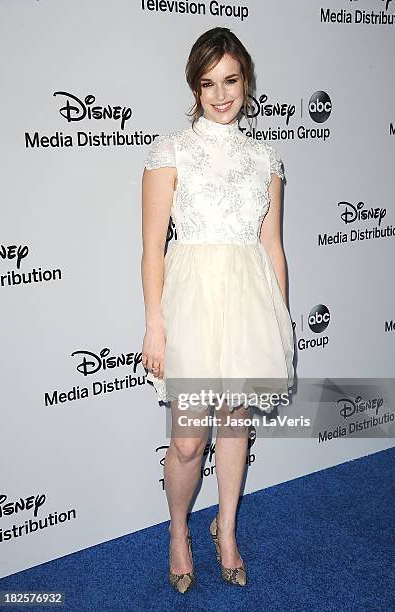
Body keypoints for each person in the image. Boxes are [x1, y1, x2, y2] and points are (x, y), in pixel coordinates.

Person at [141, 27, 294, 593]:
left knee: (234, 426)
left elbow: (272, 247)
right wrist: (154, 322)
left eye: (230, 80)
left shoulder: (266, 159)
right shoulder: (169, 151)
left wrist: (280, 320)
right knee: (187, 439)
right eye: (208, 83)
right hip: (191, 303)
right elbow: (151, 248)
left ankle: (225, 530)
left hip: (250, 299)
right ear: (195, 88)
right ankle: (179, 531)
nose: (221, 93)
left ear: (246, 80)